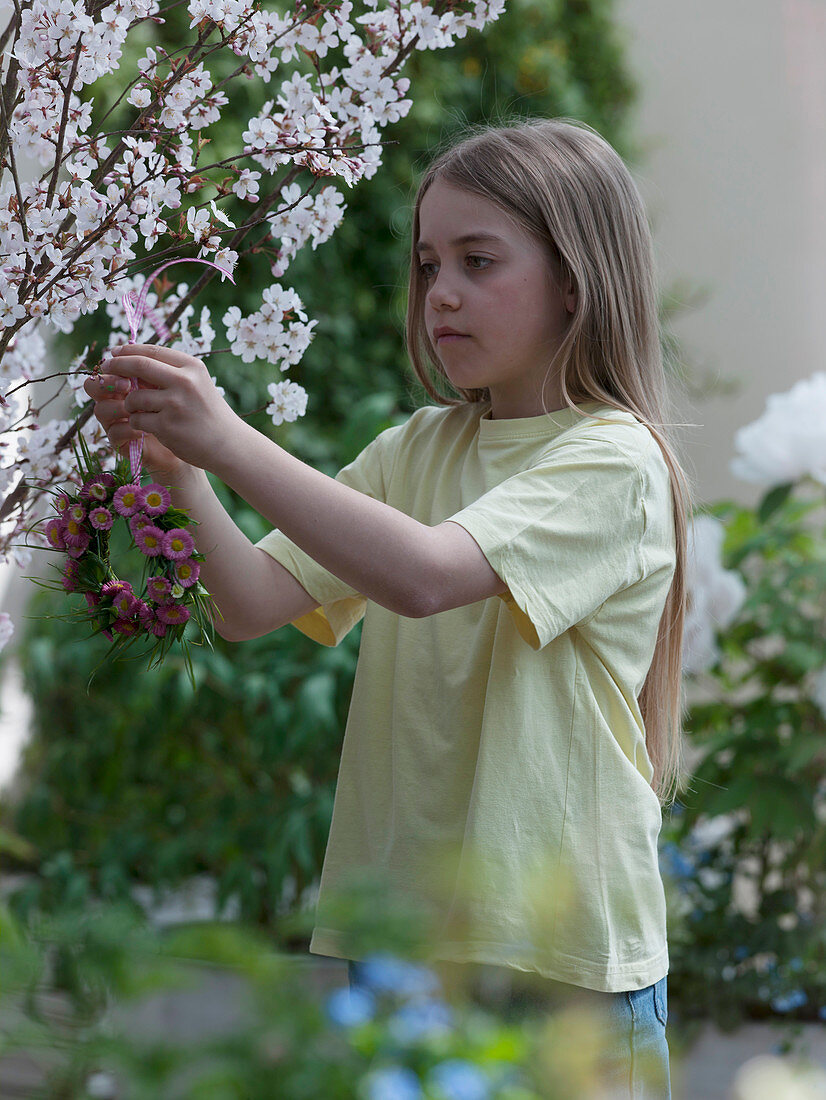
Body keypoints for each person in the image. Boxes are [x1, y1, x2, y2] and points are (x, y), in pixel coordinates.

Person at [86, 117, 693, 1097]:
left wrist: (231, 440)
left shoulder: (612, 460)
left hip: (558, 964)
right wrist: (187, 474)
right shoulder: (418, 447)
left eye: (477, 260)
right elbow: (249, 603)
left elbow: (421, 573)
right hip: (403, 950)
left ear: (575, 282)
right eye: (426, 264)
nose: (440, 291)